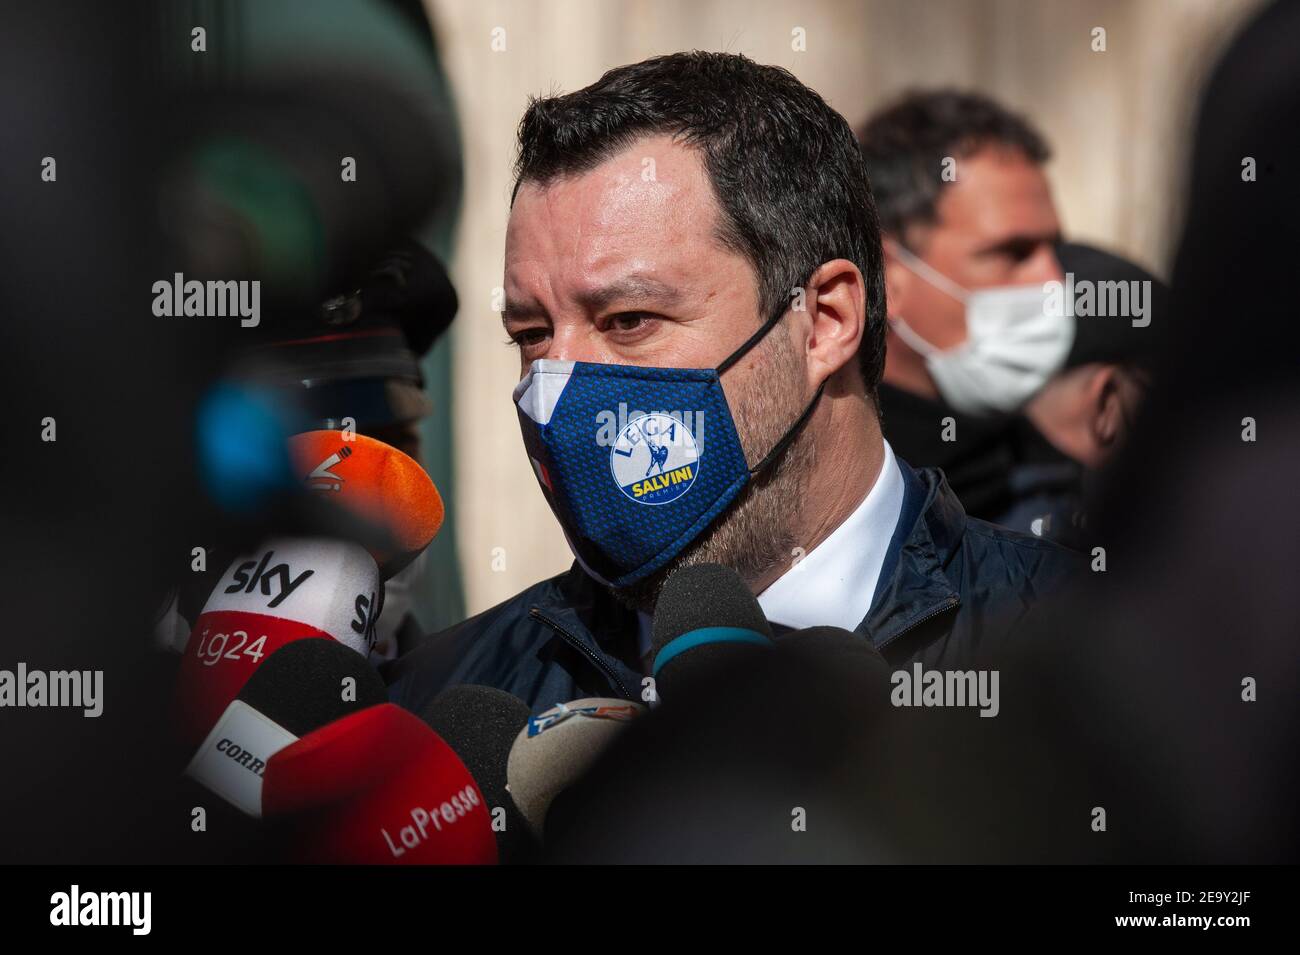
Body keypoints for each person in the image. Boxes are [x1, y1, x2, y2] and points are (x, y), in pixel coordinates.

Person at [385, 52, 1081, 715]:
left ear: (826, 320)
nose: (556, 389)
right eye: (532, 335)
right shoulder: (440, 708)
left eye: (628, 319)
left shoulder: (1088, 658)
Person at [857, 90, 1079, 528]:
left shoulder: (1078, 507)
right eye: (1013, 253)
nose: (1053, 281)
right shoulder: (816, 507)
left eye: (1053, 250)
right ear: (886, 278)